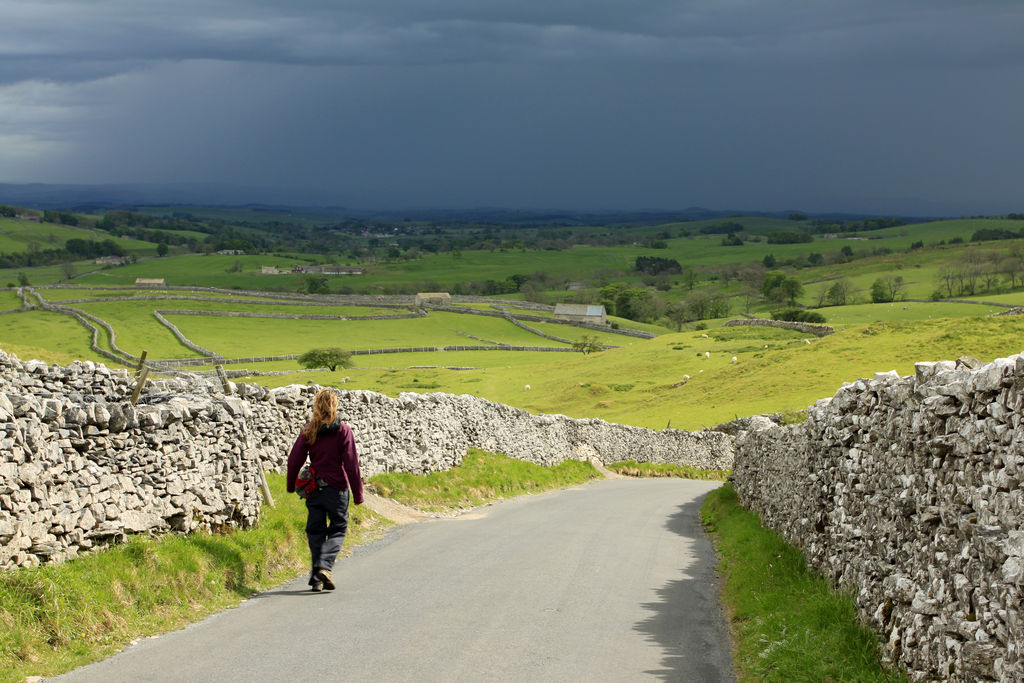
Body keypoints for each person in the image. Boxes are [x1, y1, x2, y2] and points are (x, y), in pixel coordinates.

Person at [287, 388, 364, 592]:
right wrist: (358, 494)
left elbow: (294, 460)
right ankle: (324, 566)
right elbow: (351, 464)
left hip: (314, 489)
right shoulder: (343, 430)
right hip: (337, 490)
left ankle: (317, 579)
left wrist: (289, 485)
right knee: (338, 528)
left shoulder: (309, 430)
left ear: (316, 406)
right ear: (335, 405)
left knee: (316, 532)